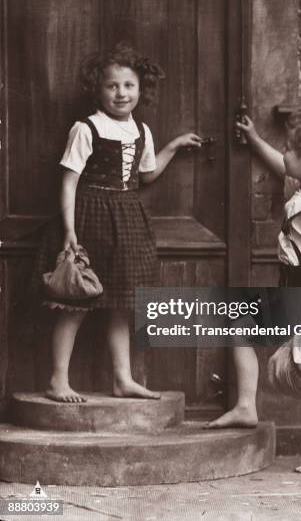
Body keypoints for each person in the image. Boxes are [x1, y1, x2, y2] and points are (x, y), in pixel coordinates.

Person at [31, 42, 202, 403]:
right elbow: (69, 181)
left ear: (141, 90)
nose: (121, 93)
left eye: (129, 86)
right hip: (89, 216)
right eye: (112, 86)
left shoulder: (142, 130)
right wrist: (70, 231)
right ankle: (57, 380)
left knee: (120, 303)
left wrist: (173, 146)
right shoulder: (86, 128)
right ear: (98, 88)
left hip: (126, 220)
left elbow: (147, 174)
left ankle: (122, 379)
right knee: (76, 300)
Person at [209, 107, 301, 474]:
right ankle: (245, 406)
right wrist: (255, 139)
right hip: (292, 290)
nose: (283, 153)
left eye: (287, 148)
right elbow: (282, 166)